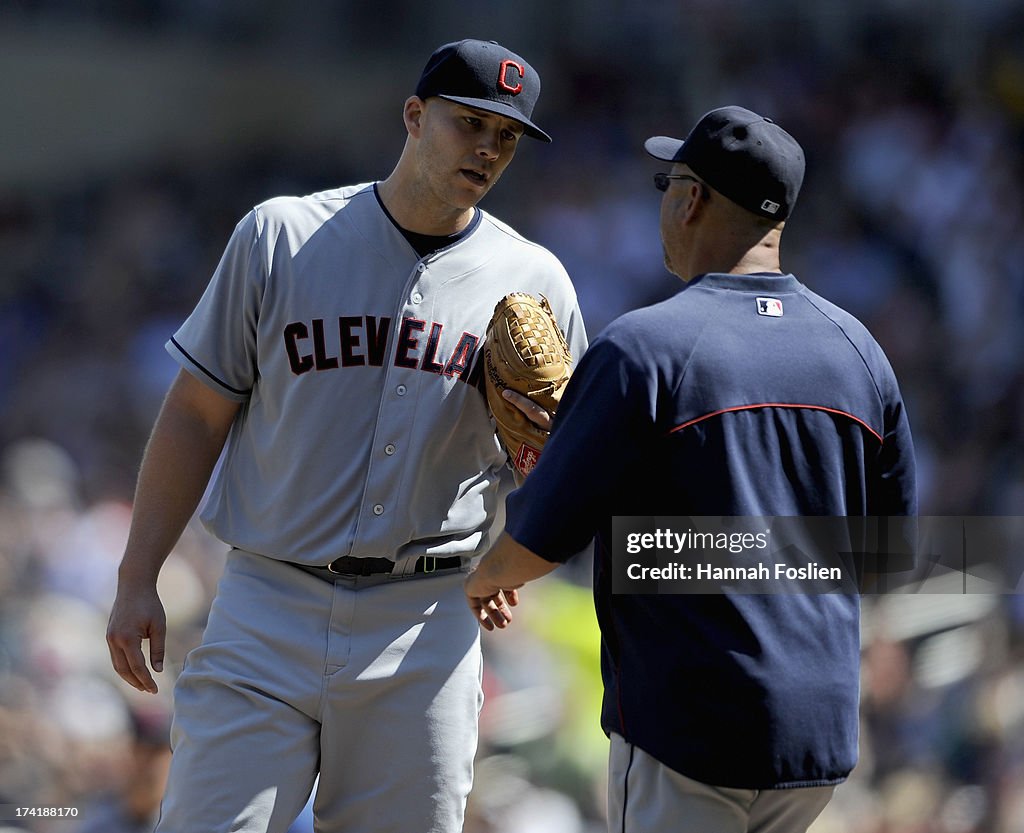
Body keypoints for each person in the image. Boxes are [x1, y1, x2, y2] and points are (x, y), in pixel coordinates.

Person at [105, 38, 586, 833]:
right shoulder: (281, 235)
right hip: (269, 599)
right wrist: (136, 574)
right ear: (413, 115)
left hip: (423, 621)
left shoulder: (534, 280)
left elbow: (558, 464)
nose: (488, 149)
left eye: (506, 137)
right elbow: (195, 414)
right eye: (470, 124)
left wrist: (518, 537)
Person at [464, 106, 917, 833]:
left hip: (692, 732)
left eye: (668, 181)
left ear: (693, 199)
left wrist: (485, 577)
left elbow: (541, 540)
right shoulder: (859, 352)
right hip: (818, 741)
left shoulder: (647, 348)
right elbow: (886, 558)